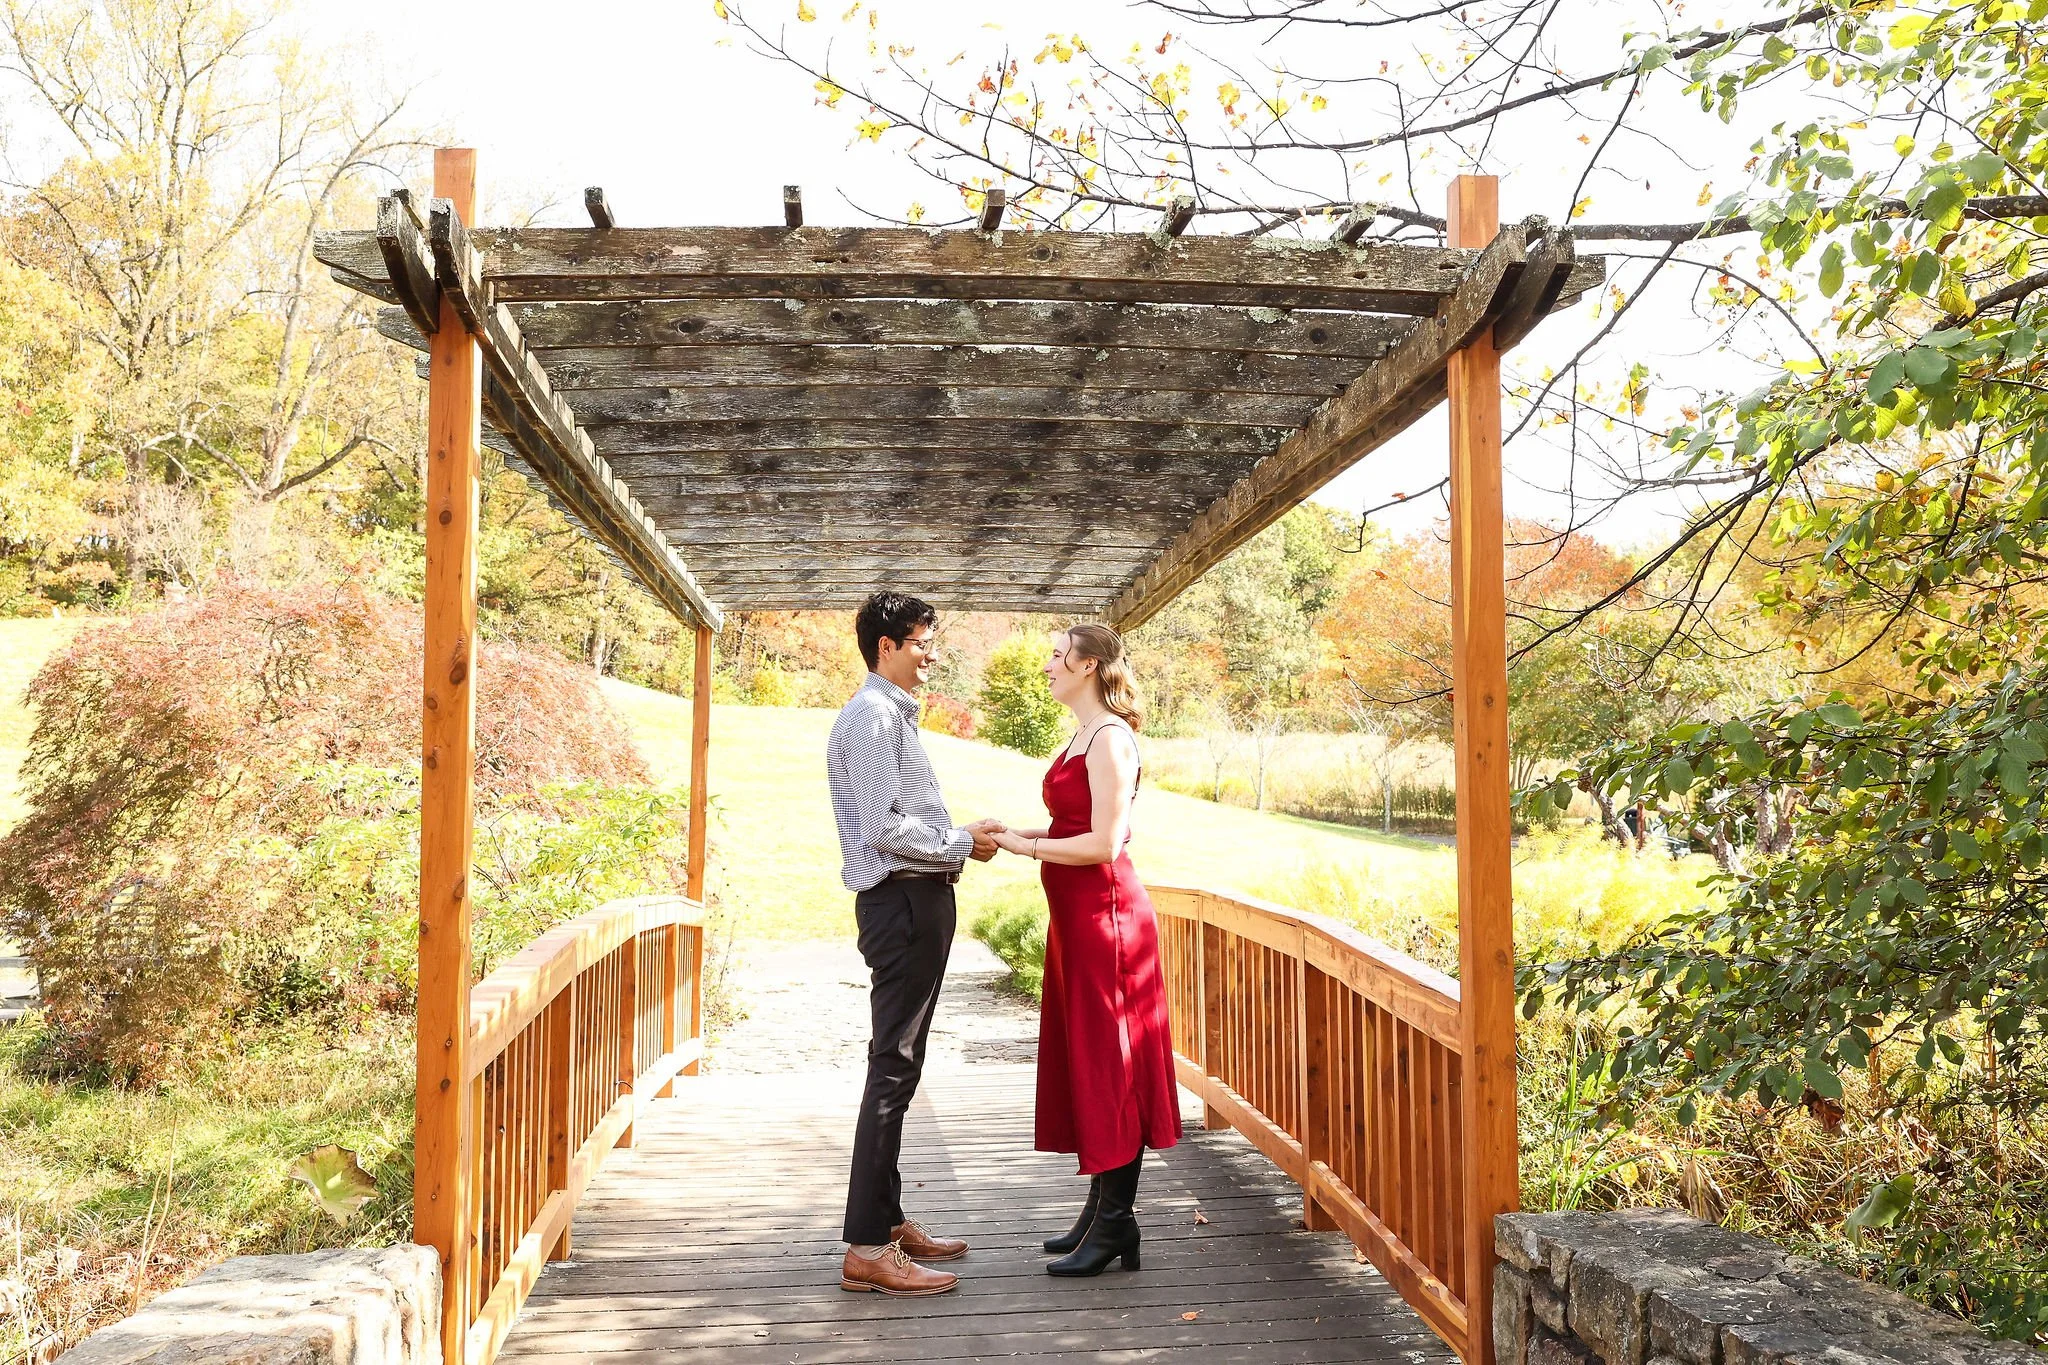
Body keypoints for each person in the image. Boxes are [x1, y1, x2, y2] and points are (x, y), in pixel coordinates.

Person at [826, 591, 1006, 1297]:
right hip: (902, 903)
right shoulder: (873, 717)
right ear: (887, 647)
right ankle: (868, 1246)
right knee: (893, 1066)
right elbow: (881, 826)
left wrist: (959, 838)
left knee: (901, 1062)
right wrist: (961, 840)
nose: (933, 652)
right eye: (922, 641)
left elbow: (899, 818)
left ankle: (888, 1219)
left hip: (913, 898)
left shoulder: (888, 715)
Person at [989, 624, 1182, 1277]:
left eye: (1055, 654)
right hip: (1077, 925)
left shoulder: (1111, 740)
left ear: (1088, 663)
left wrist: (1029, 847)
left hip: (1110, 924)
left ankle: (1118, 1222)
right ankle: (1100, 1212)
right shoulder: (1081, 735)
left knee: (1114, 1066)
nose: (1046, 664)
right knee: (1093, 1062)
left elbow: (1105, 842)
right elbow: (1075, 824)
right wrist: (1020, 832)